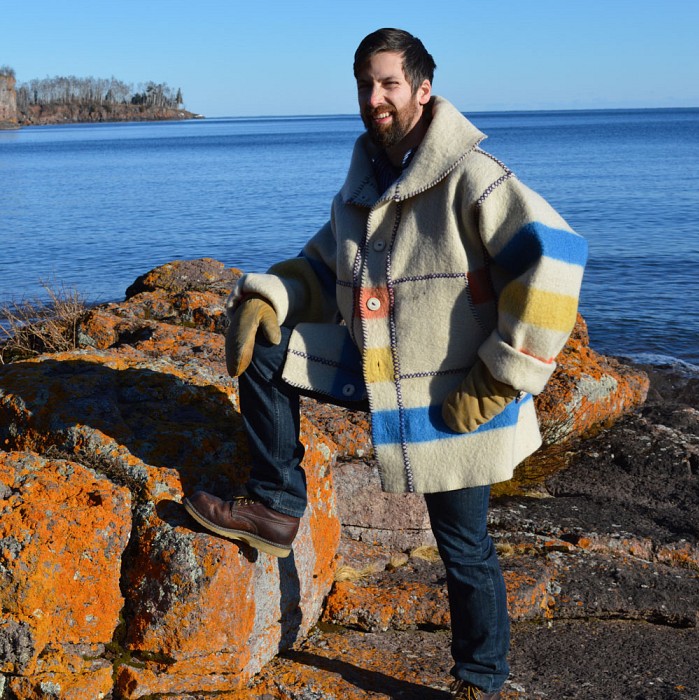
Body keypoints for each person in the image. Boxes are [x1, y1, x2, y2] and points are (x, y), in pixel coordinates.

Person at [185, 27, 587, 699]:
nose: (376, 97)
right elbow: (319, 267)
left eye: (390, 83)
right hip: (379, 371)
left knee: (464, 549)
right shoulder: (364, 180)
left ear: (423, 90)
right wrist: (270, 298)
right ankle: (278, 505)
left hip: (458, 393)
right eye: (366, 84)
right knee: (267, 341)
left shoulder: (471, 175)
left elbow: (557, 258)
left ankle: (480, 682)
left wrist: (500, 377)